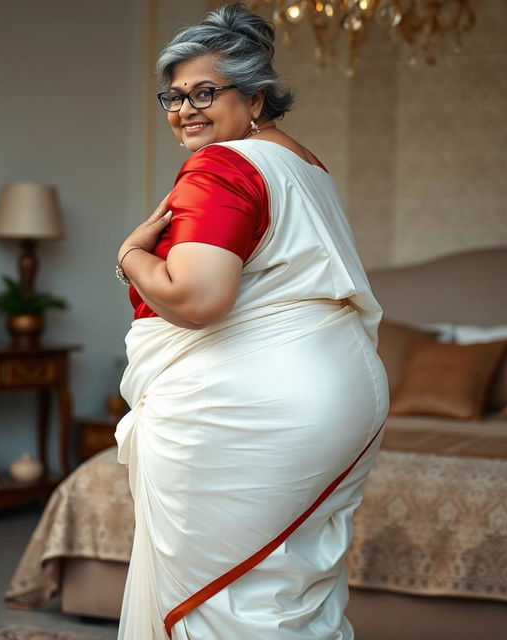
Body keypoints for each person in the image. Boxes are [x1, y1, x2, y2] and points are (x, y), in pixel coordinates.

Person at [114, 4, 389, 639]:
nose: (185, 109)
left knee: (227, 603)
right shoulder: (304, 164)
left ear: (256, 96)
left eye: (206, 92)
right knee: (288, 584)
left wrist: (129, 256)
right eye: (173, 96)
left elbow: (197, 298)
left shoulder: (222, 165)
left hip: (255, 408)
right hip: (343, 394)